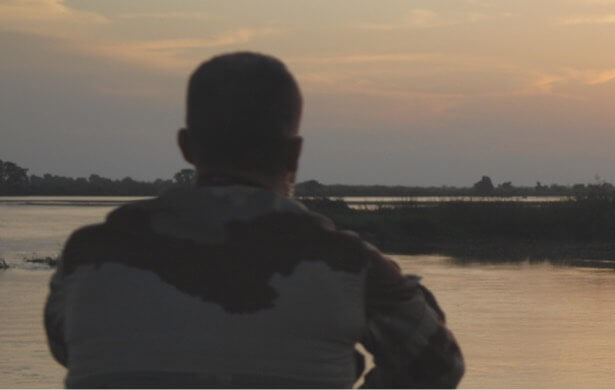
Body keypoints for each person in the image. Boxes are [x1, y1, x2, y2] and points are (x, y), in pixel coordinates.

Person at [44, 52, 464, 388]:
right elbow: (438, 369)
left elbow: (68, 349)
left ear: (186, 147)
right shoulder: (351, 265)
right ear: (294, 154)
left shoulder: (87, 255)